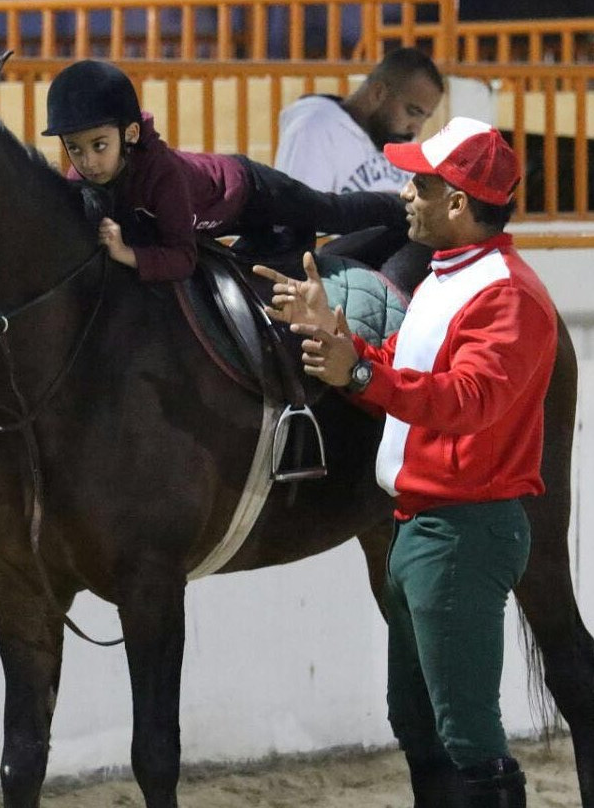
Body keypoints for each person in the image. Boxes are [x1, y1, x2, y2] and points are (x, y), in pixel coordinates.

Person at [255, 117, 556, 808]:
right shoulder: (453, 278)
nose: (404, 194)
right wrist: (338, 339)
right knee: (418, 723)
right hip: (424, 528)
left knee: (468, 737)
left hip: (460, 531)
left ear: (456, 202)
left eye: (419, 183)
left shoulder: (504, 294)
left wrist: (358, 377)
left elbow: (467, 400)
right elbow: (406, 373)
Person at [42, 59, 408, 283]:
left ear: (131, 134)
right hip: (215, 222)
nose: (87, 162)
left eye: (99, 145)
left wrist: (127, 254)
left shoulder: (162, 174)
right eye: (74, 148)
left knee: (332, 213)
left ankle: (404, 207)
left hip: (250, 193)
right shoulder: (82, 181)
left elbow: (183, 258)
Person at [274, 47, 444, 194]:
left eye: (424, 118)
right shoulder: (313, 130)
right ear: (378, 93)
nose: (416, 129)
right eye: (412, 112)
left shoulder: (399, 138)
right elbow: (297, 221)